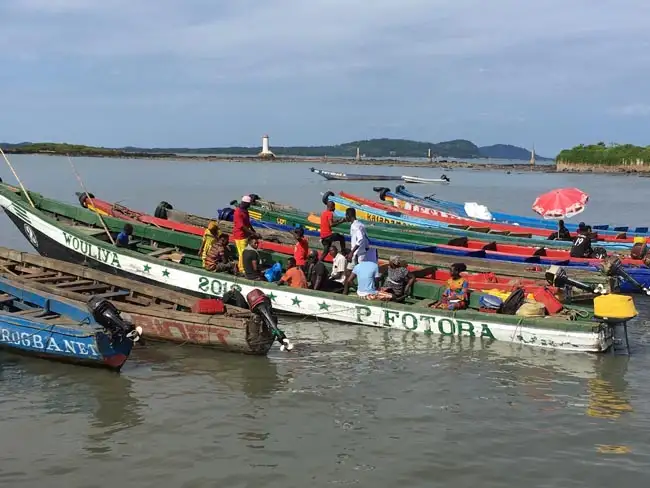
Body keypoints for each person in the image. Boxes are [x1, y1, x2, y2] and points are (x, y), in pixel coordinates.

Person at [233, 196, 258, 272]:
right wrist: (252, 233)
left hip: (245, 235)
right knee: (242, 253)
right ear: (245, 203)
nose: (250, 206)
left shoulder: (245, 210)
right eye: (249, 204)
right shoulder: (238, 212)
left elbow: (247, 222)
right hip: (240, 235)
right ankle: (242, 269)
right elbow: (242, 226)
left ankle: (243, 267)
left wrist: (253, 230)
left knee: (245, 252)